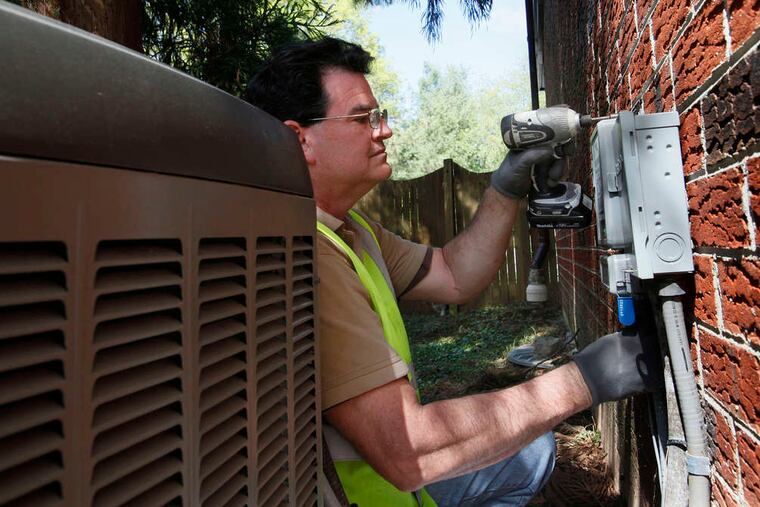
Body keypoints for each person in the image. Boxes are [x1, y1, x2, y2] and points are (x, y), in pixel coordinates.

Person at [245, 37, 660, 506]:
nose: (384, 131)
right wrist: (585, 380)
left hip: (390, 484)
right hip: (357, 494)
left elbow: (453, 274)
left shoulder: (350, 229)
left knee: (531, 450)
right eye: (364, 118)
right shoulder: (307, 254)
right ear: (300, 140)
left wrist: (507, 184)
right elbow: (408, 452)